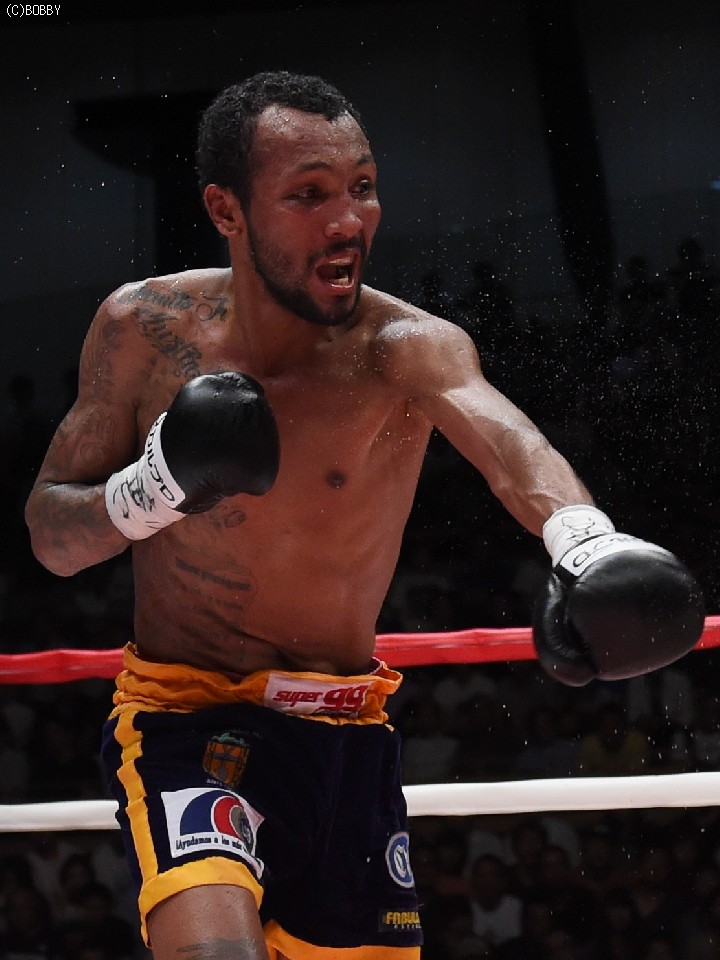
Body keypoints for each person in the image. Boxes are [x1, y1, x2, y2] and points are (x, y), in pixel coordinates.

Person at [24, 70, 704, 960]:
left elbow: (512, 446)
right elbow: (51, 536)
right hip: (188, 717)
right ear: (227, 210)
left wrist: (586, 542)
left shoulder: (405, 348)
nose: (348, 220)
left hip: (347, 735)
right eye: (309, 194)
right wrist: (150, 489)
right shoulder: (142, 329)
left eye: (363, 186)